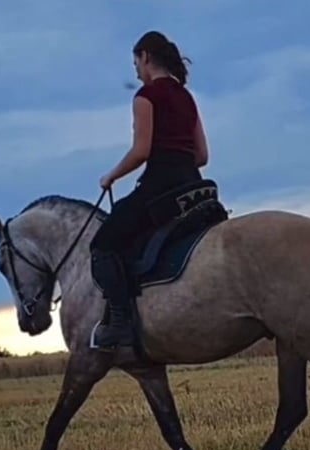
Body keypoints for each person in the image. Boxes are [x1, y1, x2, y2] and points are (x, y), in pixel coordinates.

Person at [90, 30, 209, 350]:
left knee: (103, 244)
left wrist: (111, 176)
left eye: (135, 62)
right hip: (195, 187)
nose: (135, 71)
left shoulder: (146, 96)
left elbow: (141, 150)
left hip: (161, 187)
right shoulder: (186, 97)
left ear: (145, 57)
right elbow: (202, 156)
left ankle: (120, 323)